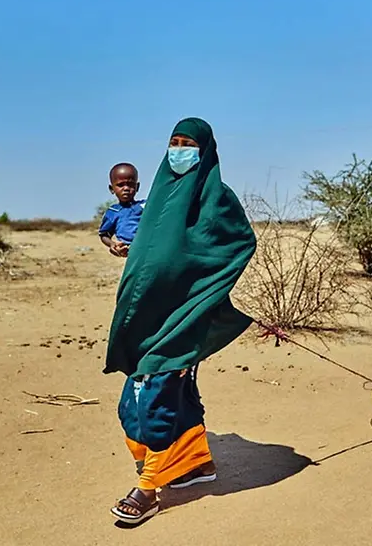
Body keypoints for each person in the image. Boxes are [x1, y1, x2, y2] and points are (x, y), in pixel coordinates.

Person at [104, 117, 256, 525]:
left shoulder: (217, 198)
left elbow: (241, 242)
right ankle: (196, 465)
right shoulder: (159, 193)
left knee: (152, 396)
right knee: (159, 396)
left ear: (204, 150)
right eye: (174, 142)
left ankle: (149, 489)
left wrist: (204, 292)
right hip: (146, 316)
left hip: (184, 318)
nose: (179, 150)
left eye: (188, 144)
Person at [98, 163, 144, 258]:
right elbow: (104, 234)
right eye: (120, 185)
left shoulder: (145, 205)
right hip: (131, 253)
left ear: (137, 187)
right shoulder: (113, 212)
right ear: (112, 189)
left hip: (150, 249)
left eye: (130, 184)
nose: (126, 188)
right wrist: (113, 245)